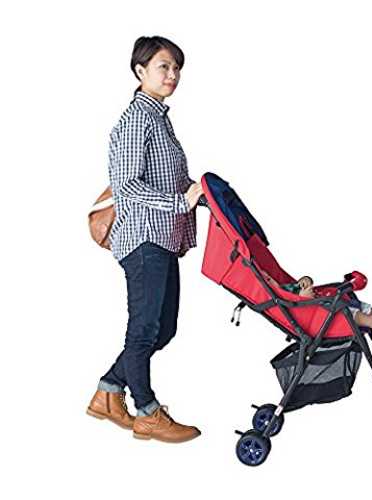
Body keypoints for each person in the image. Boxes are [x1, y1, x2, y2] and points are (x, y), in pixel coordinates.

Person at [87, 36, 205, 444]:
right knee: (143, 330)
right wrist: (179, 201)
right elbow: (127, 185)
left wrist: (201, 192)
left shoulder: (160, 118)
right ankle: (147, 412)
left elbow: (169, 178)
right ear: (140, 71)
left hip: (163, 238)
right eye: (163, 67)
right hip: (142, 238)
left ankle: (108, 392)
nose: (172, 75)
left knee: (163, 329)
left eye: (176, 68)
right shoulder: (137, 118)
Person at [260, 270, 372, 329]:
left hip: (324, 300)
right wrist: (303, 297)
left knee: (356, 304)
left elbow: (303, 282)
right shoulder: (280, 297)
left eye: (269, 277)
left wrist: (305, 280)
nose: (271, 279)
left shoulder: (285, 287)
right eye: (268, 280)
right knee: (349, 313)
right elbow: (296, 307)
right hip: (318, 313)